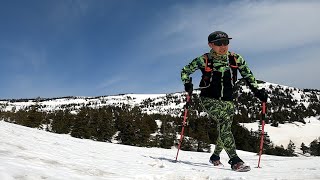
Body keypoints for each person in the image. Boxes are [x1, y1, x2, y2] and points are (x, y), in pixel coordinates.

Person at [180, 31, 268, 171]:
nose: (223, 46)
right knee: (224, 120)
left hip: (228, 101)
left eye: (226, 42)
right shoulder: (204, 59)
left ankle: (215, 156)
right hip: (209, 98)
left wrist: (257, 91)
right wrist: (187, 83)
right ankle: (235, 160)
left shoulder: (235, 58)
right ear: (211, 45)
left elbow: (248, 75)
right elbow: (185, 71)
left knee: (225, 127)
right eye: (219, 43)